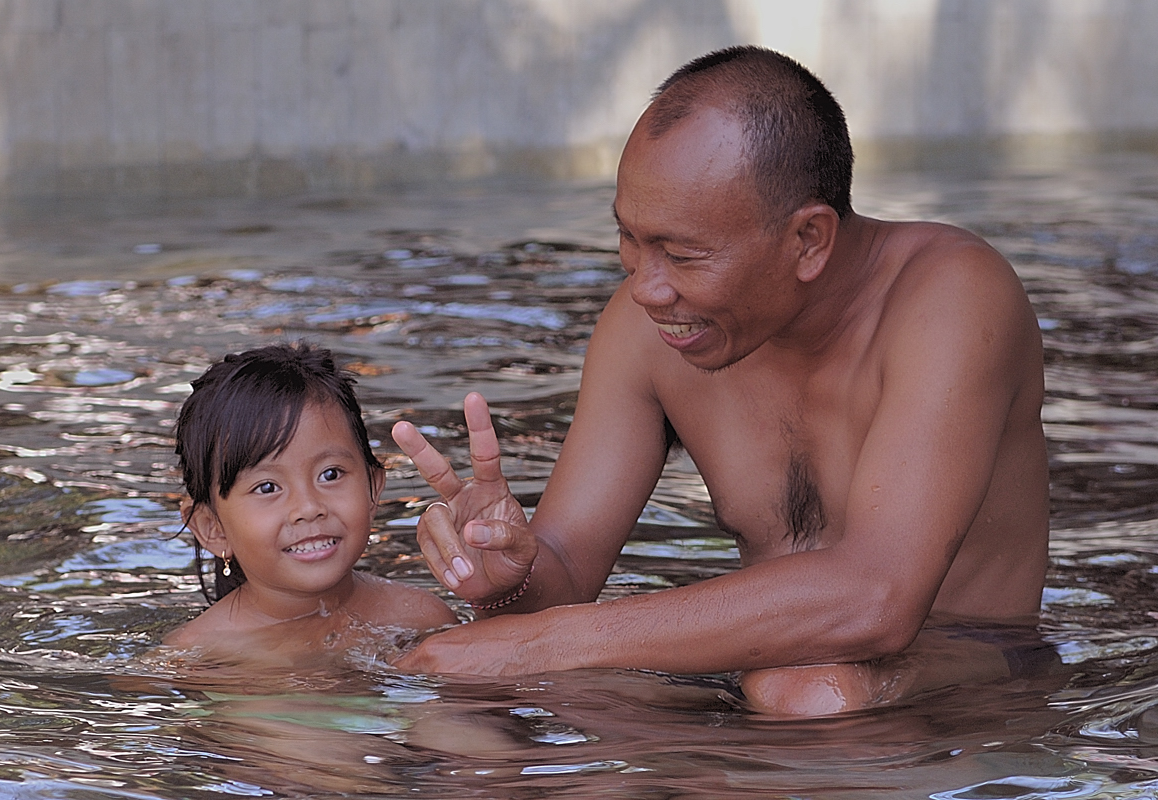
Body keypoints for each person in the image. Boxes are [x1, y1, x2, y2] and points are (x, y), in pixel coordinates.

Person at [391, 45, 1050, 714]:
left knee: (814, 693)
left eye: (681, 255)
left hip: (970, 691)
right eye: (629, 239)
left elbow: (877, 599)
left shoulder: (953, 297)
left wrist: (543, 644)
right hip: (758, 679)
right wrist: (507, 573)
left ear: (808, 241)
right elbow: (557, 589)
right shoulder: (647, 327)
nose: (645, 289)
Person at [163, 342, 456, 666]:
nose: (308, 507)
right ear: (212, 528)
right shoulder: (194, 658)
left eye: (330, 474)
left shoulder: (421, 619)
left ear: (373, 489)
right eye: (267, 487)